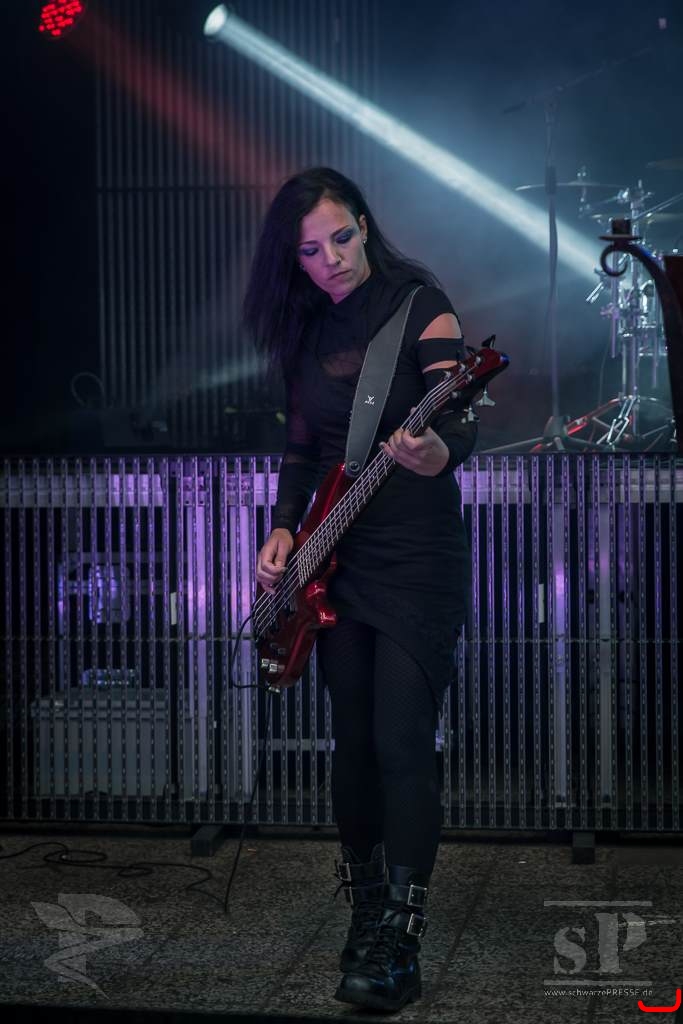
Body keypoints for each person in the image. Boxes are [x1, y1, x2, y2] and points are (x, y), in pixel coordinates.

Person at [244, 167, 477, 1013]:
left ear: (365, 225)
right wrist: (282, 526)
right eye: (310, 250)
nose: (331, 259)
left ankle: (399, 943)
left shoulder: (420, 306)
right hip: (334, 558)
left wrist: (438, 451)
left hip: (415, 557)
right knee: (352, 745)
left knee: (401, 739)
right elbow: (302, 446)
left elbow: (459, 416)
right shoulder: (306, 329)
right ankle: (366, 915)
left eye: (340, 237)